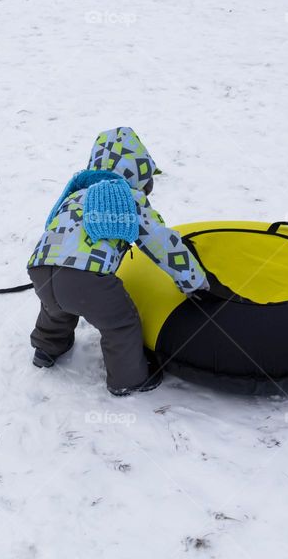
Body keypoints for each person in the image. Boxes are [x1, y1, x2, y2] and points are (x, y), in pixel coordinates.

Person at [26, 127, 209, 396]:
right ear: (138, 173)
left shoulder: (74, 195)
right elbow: (161, 243)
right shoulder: (126, 198)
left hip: (41, 268)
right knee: (121, 323)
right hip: (86, 278)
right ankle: (127, 379)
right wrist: (194, 280)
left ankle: (46, 348)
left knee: (55, 308)